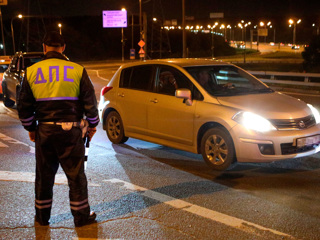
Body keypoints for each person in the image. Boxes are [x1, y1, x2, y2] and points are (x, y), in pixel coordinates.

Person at [17, 31, 99, 227]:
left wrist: (31, 127)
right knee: (76, 176)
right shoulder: (77, 70)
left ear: (44, 48)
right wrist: (93, 126)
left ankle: (42, 218)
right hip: (71, 132)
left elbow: (24, 106)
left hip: (45, 131)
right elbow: (90, 103)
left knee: (44, 177)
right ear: (63, 48)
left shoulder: (32, 71)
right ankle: (81, 218)